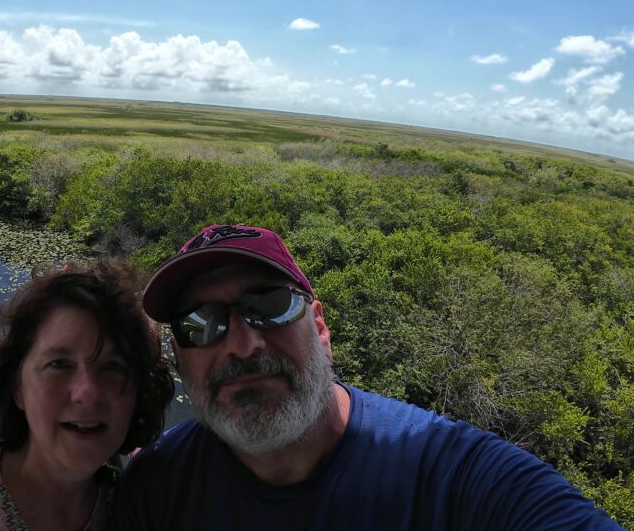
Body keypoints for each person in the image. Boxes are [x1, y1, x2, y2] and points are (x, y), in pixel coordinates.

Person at [116, 224, 622, 530]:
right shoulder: (158, 485)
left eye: (268, 306)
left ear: (319, 327)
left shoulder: (451, 475)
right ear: (180, 360)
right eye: (200, 325)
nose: (242, 344)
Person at [0, 260, 173, 531]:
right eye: (59, 364)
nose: (87, 393)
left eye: (113, 367)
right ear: (17, 386)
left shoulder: (138, 492)